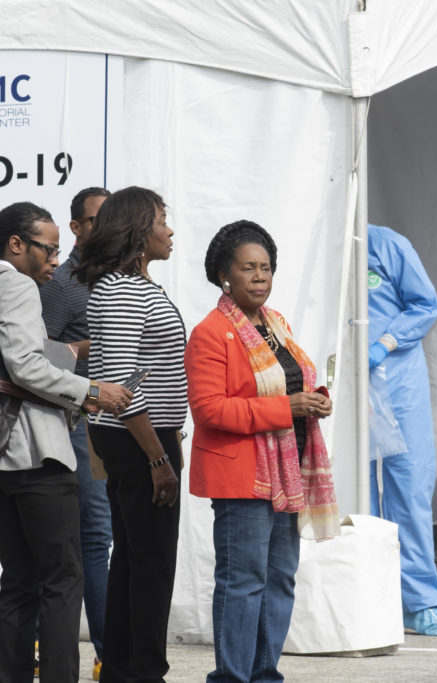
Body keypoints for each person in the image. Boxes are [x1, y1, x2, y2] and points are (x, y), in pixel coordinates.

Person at [0, 202, 132, 682]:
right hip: (34, 457)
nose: (54, 260)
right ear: (17, 245)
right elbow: (22, 365)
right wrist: (91, 391)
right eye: (47, 249)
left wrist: (65, 353)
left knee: (19, 583)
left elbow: (4, 359)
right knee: (63, 581)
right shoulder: (18, 285)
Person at [186, 220, 340, 683]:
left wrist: (313, 401)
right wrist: (286, 405)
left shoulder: (278, 326)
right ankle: (232, 677)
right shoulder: (211, 333)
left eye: (266, 268)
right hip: (243, 478)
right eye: (248, 268)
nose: (259, 277)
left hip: (286, 471)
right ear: (223, 276)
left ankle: (265, 673)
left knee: (279, 580)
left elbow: (292, 386)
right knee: (243, 583)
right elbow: (210, 410)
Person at [73, 186, 186, 683]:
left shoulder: (136, 287)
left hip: (142, 437)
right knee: (152, 562)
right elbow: (120, 384)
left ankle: (123, 668)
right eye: (162, 220)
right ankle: (144, 671)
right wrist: (158, 459)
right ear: (140, 231)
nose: (170, 229)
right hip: (140, 439)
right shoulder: (121, 290)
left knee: (133, 557)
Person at [366, 223, 437, 637]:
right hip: (344, 381)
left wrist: (386, 340)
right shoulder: (316, 244)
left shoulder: (387, 245)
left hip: (398, 380)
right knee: (353, 492)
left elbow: (425, 304)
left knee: (410, 489)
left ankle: (419, 602)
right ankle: (365, 597)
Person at [39, 186, 112, 680]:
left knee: (105, 538)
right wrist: (94, 346)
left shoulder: (119, 278)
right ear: (77, 228)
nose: (107, 227)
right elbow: (33, 355)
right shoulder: (62, 284)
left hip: (119, 422)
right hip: (78, 422)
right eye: (97, 219)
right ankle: (104, 656)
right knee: (90, 536)